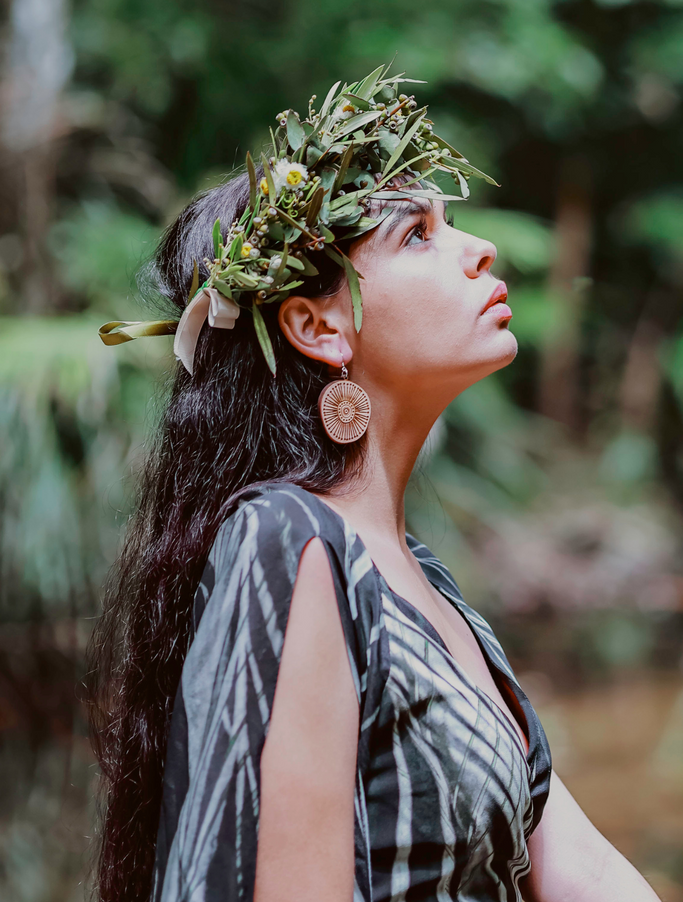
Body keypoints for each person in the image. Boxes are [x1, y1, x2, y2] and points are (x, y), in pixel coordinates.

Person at [87, 68, 661, 902]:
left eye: (450, 221)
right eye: (418, 234)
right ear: (317, 326)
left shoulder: (428, 585)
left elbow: (589, 873)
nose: (477, 248)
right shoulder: (284, 541)